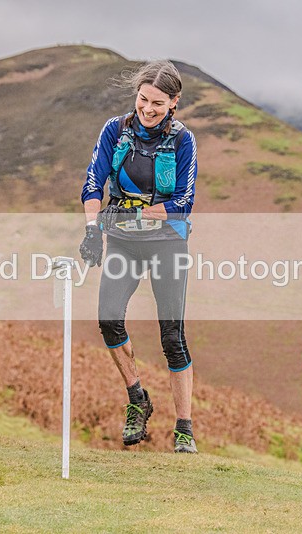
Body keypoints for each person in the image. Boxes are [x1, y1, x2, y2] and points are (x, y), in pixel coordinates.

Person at [79, 60, 199, 453]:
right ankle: (137, 398)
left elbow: (183, 201)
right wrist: (92, 229)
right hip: (124, 243)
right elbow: (94, 181)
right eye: (144, 99)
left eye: (159, 104)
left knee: (172, 337)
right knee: (108, 319)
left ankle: (184, 428)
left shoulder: (184, 140)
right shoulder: (115, 130)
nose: (149, 109)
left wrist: (135, 212)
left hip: (167, 241)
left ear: (174, 103)